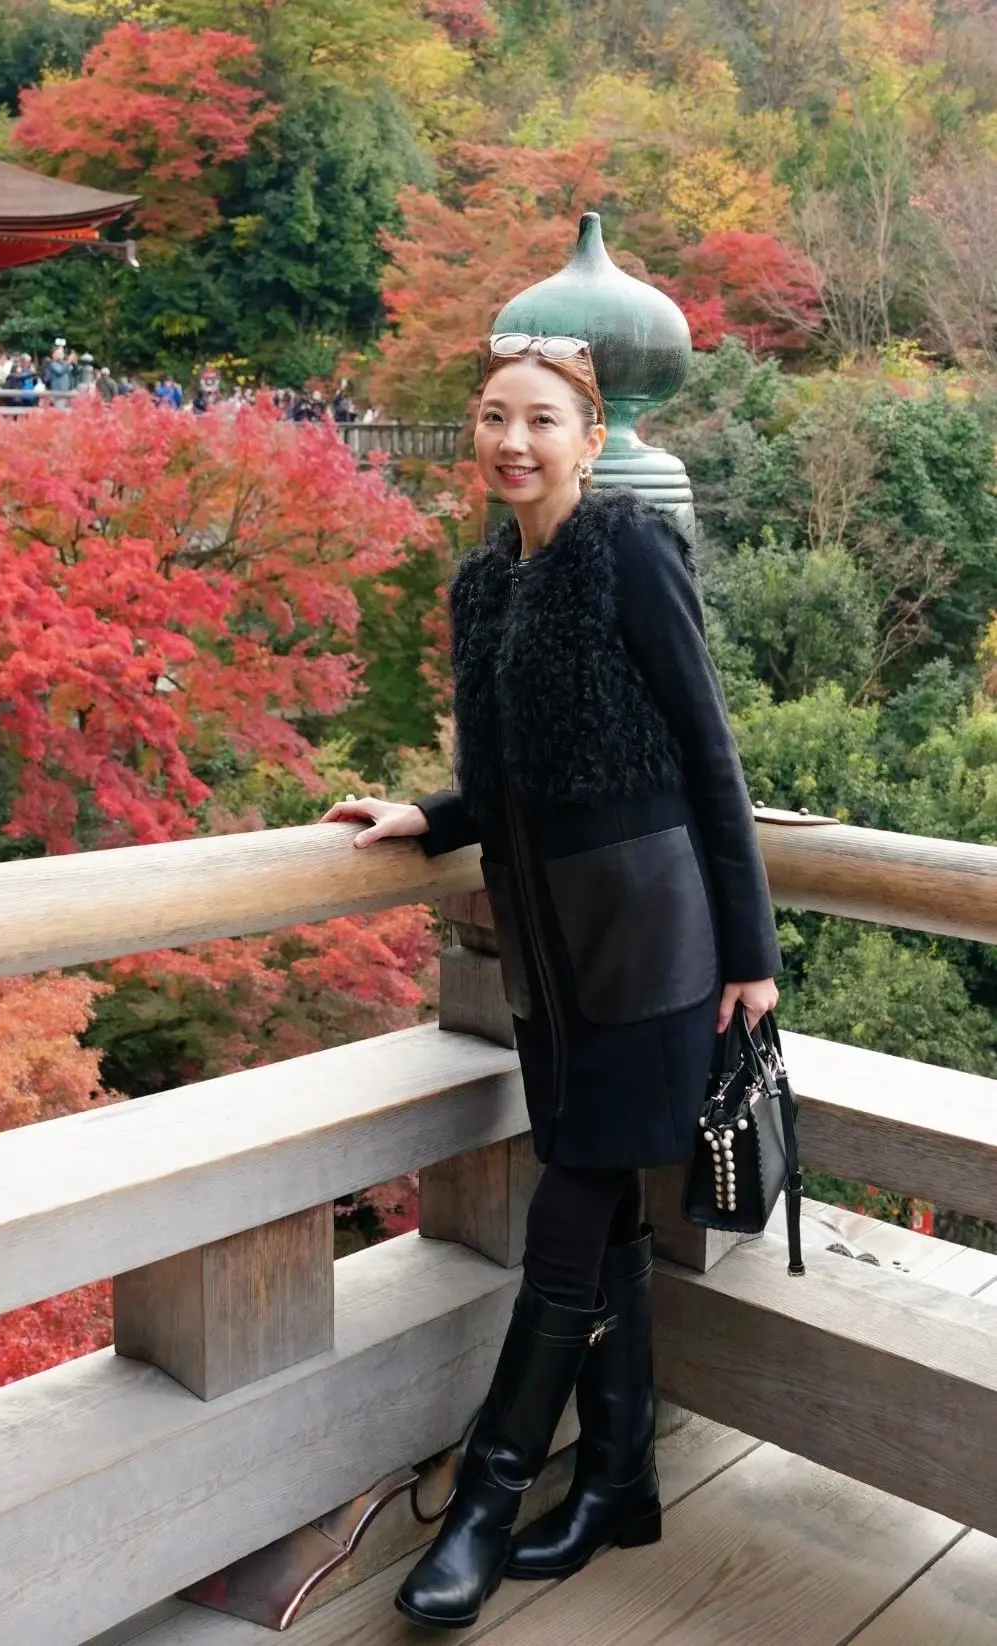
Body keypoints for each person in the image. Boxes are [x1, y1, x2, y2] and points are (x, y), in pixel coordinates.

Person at [321, 333, 780, 1630]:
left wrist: (750, 950)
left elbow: (706, 748)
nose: (511, 440)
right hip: (548, 959)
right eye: (491, 417)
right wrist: (428, 811)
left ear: (587, 434)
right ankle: (620, 1485)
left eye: (540, 418)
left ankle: (488, 1496)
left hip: (649, 944)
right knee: (614, 1221)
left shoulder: (629, 550)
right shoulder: (485, 588)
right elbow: (519, 777)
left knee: (570, 1214)